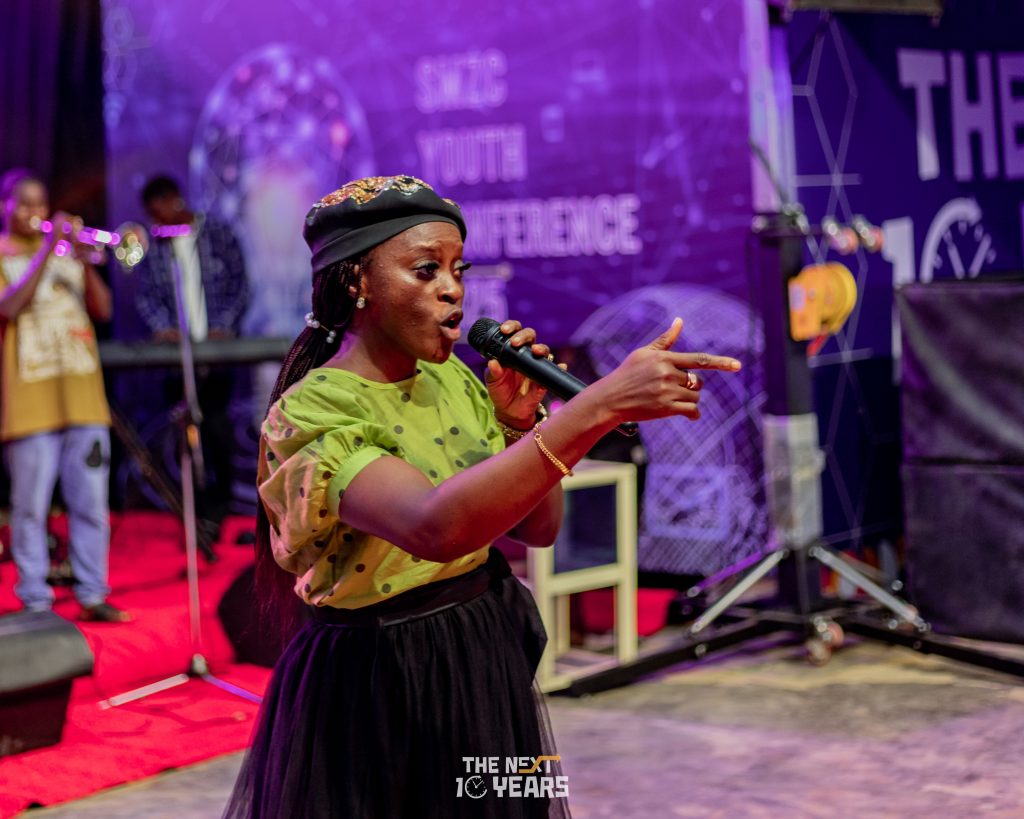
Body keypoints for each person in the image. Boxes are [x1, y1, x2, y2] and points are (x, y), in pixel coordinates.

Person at [222, 175, 741, 819]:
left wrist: (522, 426)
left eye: (456, 269)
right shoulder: (314, 412)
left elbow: (540, 529)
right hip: (381, 676)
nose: (452, 289)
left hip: (481, 647)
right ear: (358, 283)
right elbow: (434, 528)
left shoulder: (455, 381)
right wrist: (597, 406)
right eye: (425, 270)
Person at [0, 169, 129, 622]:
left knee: (91, 503)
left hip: (83, 399)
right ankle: (35, 599)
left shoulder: (66, 254)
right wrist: (45, 252)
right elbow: (8, 307)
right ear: (5, 207)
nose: (34, 212)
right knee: (30, 508)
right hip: (30, 402)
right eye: (25, 203)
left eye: (40, 203)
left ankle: (93, 593)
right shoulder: (4, 254)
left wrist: (83, 260)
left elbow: (104, 309)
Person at [134, 175, 250, 537]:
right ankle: (195, 511)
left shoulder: (218, 234)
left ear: (175, 201)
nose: (156, 222)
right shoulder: (154, 246)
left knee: (217, 428)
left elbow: (239, 284)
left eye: (159, 213)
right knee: (183, 434)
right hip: (175, 359)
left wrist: (223, 327)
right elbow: (145, 296)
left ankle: (220, 506)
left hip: (215, 356)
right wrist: (163, 327)